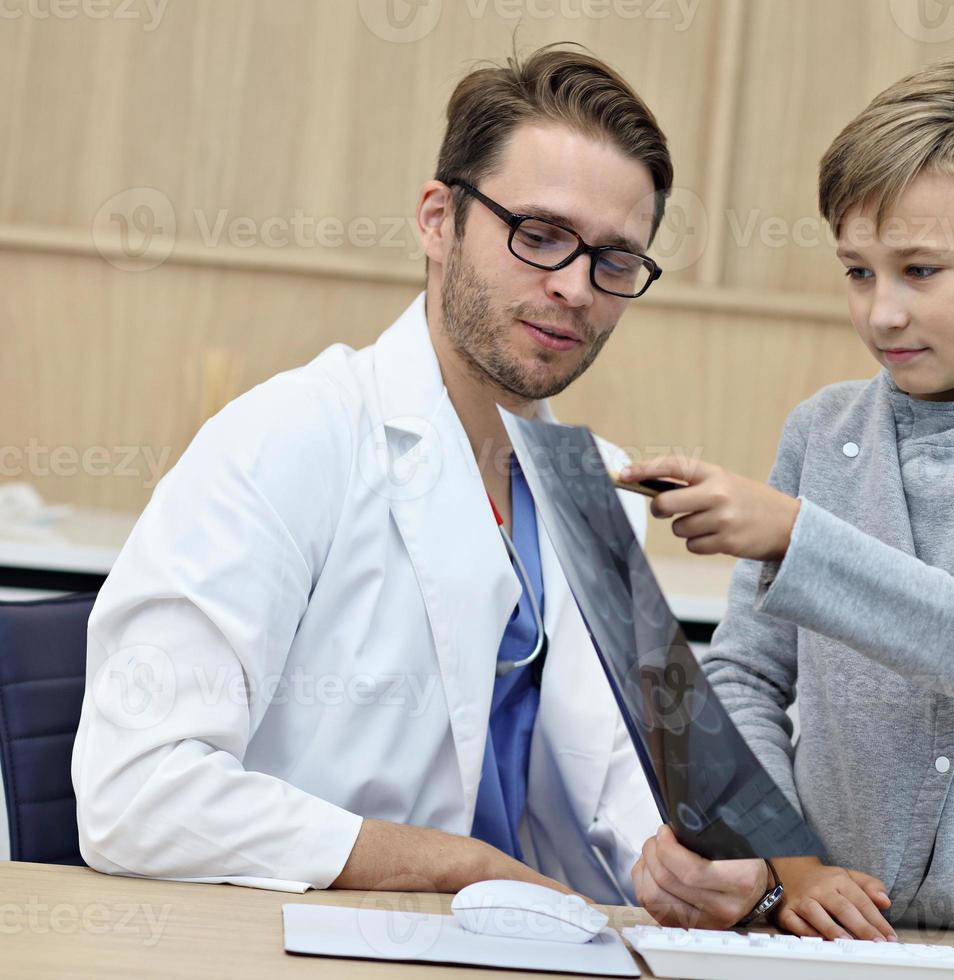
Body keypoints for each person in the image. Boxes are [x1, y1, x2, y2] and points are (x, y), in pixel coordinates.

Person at [72, 45, 672, 902]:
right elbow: (136, 792)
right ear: (438, 219)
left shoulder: (596, 485)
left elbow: (616, 791)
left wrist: (701, 870)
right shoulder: (293, 437)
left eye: (614, 260)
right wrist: (451, 863)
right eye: (538, 235)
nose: (576, 287)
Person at [623, 57, 954, 940]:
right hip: (829, 941)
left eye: (919, 270)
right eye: (858, 273)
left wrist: (795, 535)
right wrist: (792, 868)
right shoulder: (822, 431)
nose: (882, 314)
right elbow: (748, 677)